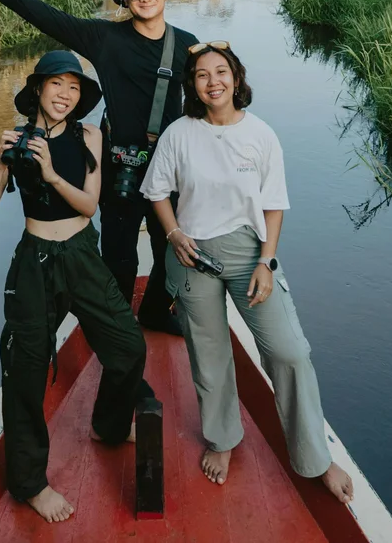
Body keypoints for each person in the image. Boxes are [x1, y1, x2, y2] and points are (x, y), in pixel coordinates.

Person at [141, 41, 354, 505]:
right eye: (202, 74)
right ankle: (222, 440)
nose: (213, 81)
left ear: (236, 79)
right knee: (210, 354)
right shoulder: (180, 133)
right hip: (192, 253)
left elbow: (274, 206)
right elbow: (156, 191)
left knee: (290, 351)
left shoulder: (261, 135)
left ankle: (315, 458)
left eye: (222, 72)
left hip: (249, 251)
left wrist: (266, 262)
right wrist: (174, 234)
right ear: (192, 85)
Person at [0, 0, 195, 332]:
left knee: (168, 249)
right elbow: (50, 18)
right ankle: (116, 325)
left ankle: (153, 311)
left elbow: (202, 107)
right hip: (119, 167)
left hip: (169, 168)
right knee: (119, 255)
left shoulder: (186, 45)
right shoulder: (105, 39)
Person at [0, 50, 150, 524]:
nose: (66, 95)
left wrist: (50, 173)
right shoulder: (16, 140)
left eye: (74, 87)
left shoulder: (89, 135)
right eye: (58, 85)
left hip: (82, 255)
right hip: (34, 262)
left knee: (128, 345)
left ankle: (109, 426)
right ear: (37, 90)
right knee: (26, 370)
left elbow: (90, 206)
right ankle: (30, 483)